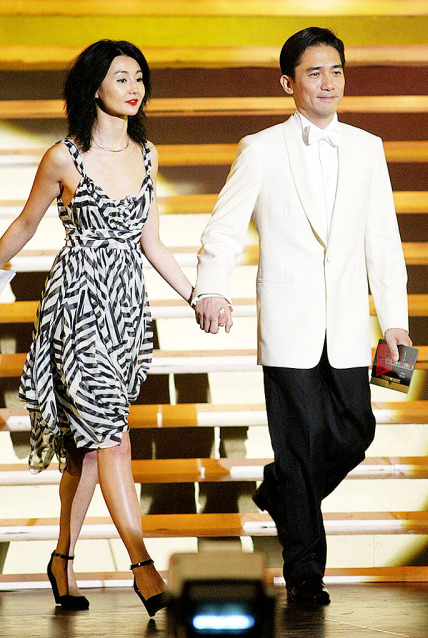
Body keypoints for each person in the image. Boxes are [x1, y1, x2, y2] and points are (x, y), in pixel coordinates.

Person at [193, 27, 412, 605]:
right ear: (288, 82)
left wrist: (395, 318)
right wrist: (211, 290)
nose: (328, 82)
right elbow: (224, 226)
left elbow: (383, 240)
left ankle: (280, 489)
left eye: (336, 71)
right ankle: (305, 575)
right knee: (298, 443)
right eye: (315, 73)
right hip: (287, 325)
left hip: (345, 325)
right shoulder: (260, 148)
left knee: (354, 432)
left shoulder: (368, 147)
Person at [0, 39, 193, 615]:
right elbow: (27, 223)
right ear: (94, 87)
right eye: (122, 77)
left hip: (127, 310)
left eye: (140, 78)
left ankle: (62, 559)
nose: (135, 88)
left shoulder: (148, 154)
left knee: (86, 451)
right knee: (112, 437)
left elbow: (151, 241)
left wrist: (196, 295)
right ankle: (143, 563)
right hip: (78, 306)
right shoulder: (63, 157)